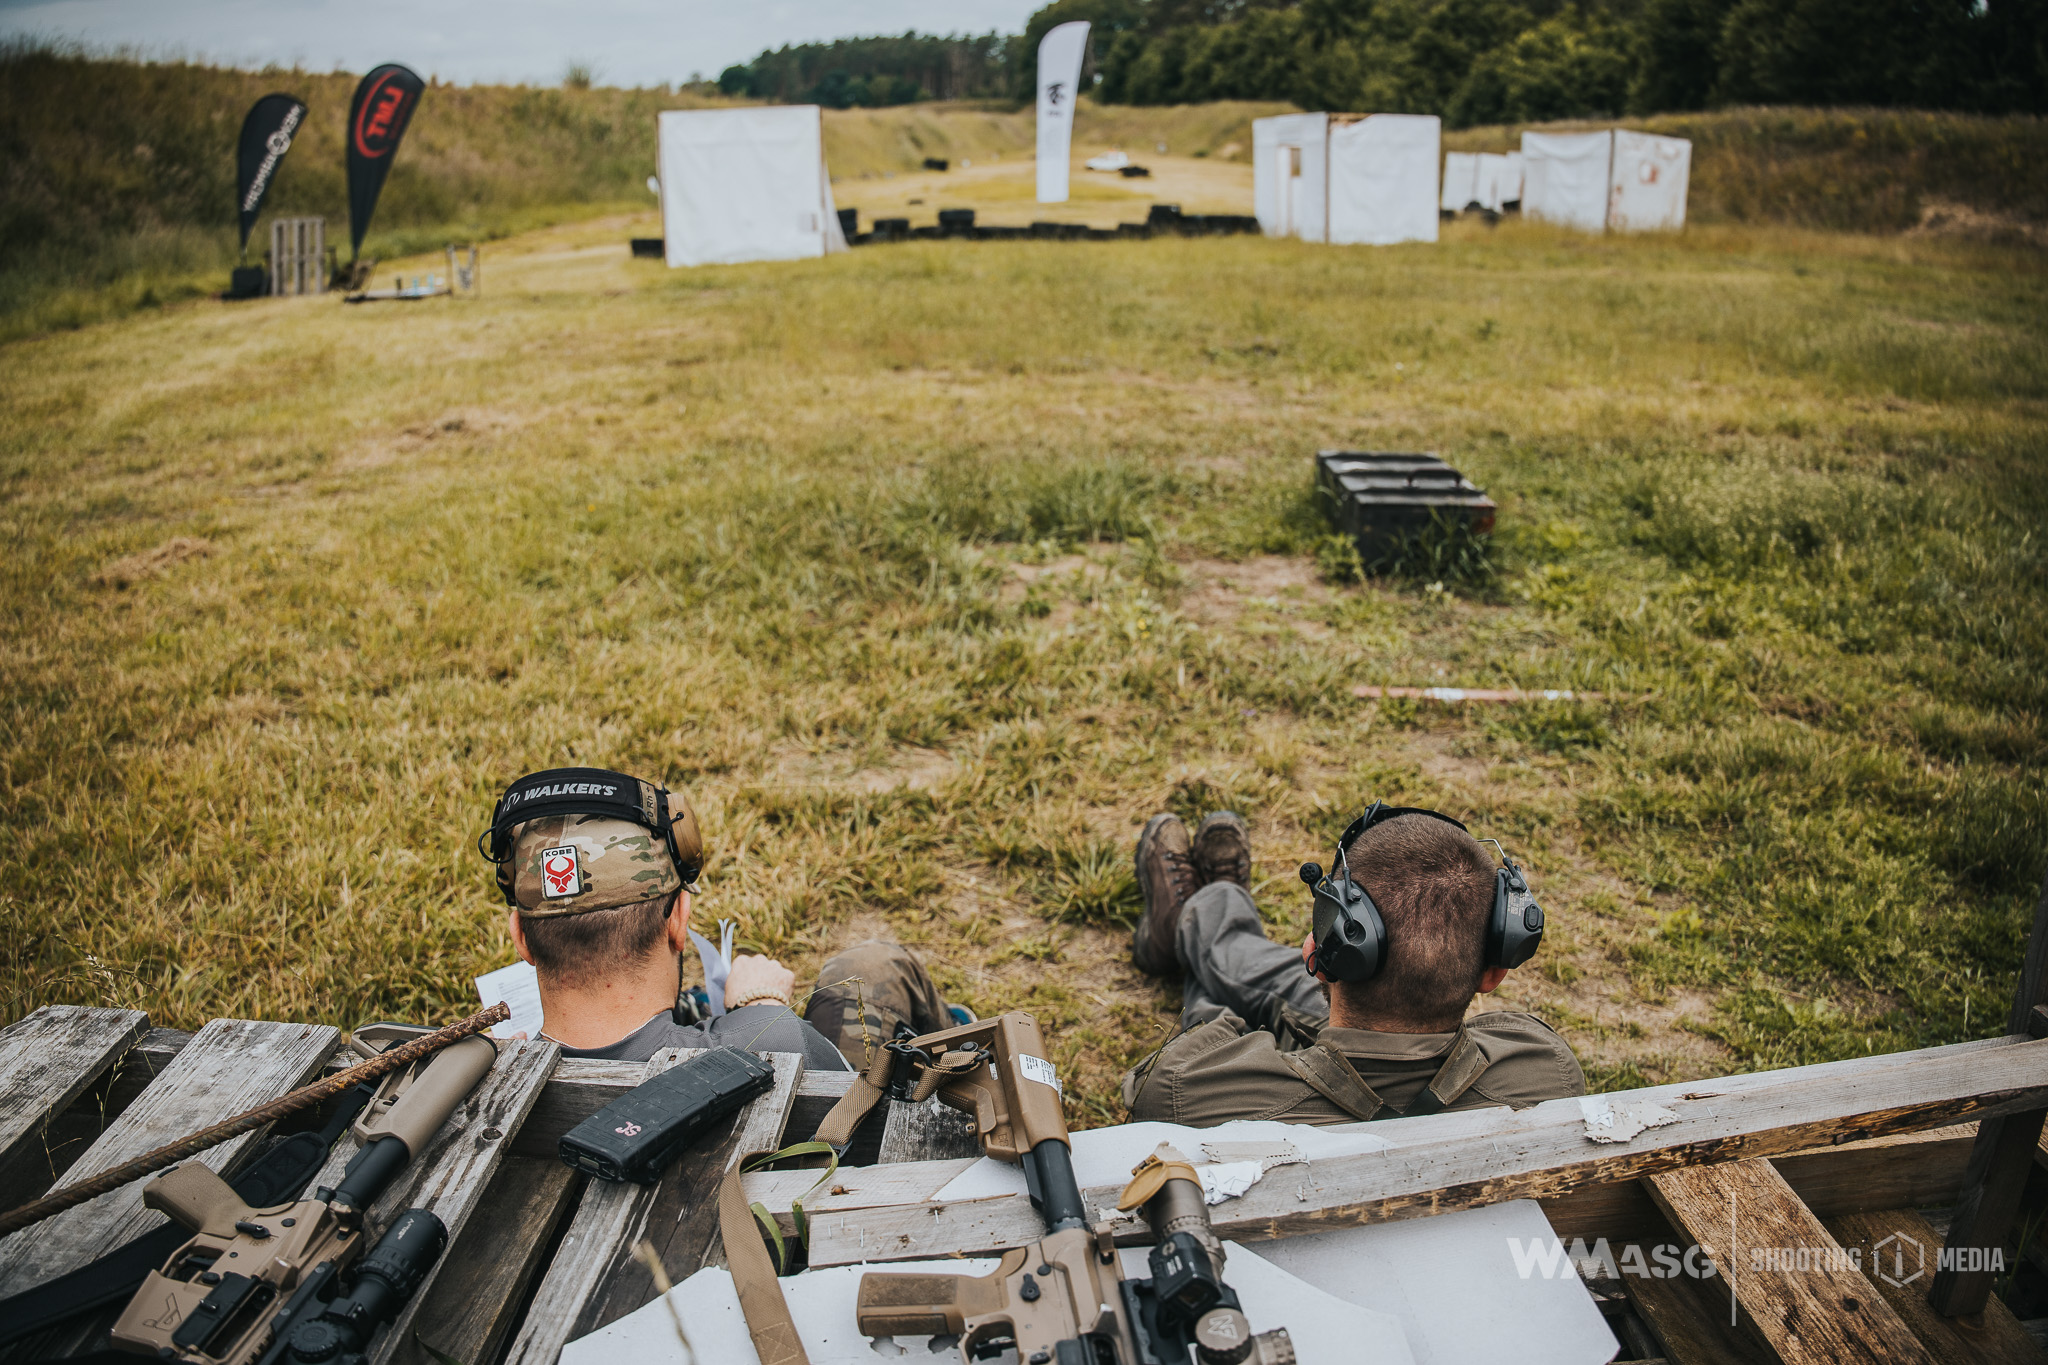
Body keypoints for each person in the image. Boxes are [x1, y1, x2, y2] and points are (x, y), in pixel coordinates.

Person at [1121, 806, 1585, 1125]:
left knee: (1222, 979)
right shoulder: (1548, 1070)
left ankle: (1200, 911)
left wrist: (1217, 1028)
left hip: (1312, 1043)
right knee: (1259, 979)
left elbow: (1160, 1080)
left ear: (1318, 958)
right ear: (1497, 968)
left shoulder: (1181, 1089)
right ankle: (1200, 915)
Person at [487, 767, 960, 1067]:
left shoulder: (478, 1074)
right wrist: (764, 1007)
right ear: (678, 923)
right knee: (869, 967)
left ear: (521, 939)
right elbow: (849, 1107)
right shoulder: (771, 1044)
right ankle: (959, 1037)